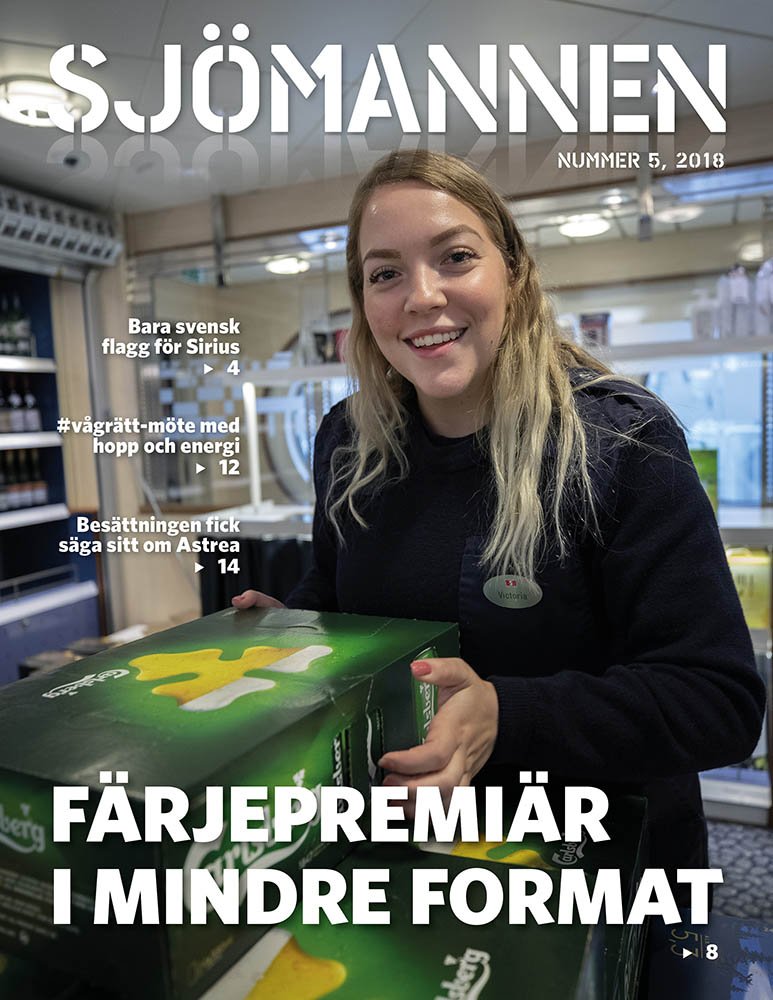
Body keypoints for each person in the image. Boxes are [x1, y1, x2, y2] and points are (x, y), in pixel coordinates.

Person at [233, 149, 765, 888]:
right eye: (384, 273)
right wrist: (291, 633)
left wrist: (503, 715)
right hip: (412, 850)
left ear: (512, 273)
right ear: (363, 302)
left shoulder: (620, 442)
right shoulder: (348, 440)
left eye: (455, 257)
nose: (421, 297)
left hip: (597, 869)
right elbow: (336, 590)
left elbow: (717, 701)